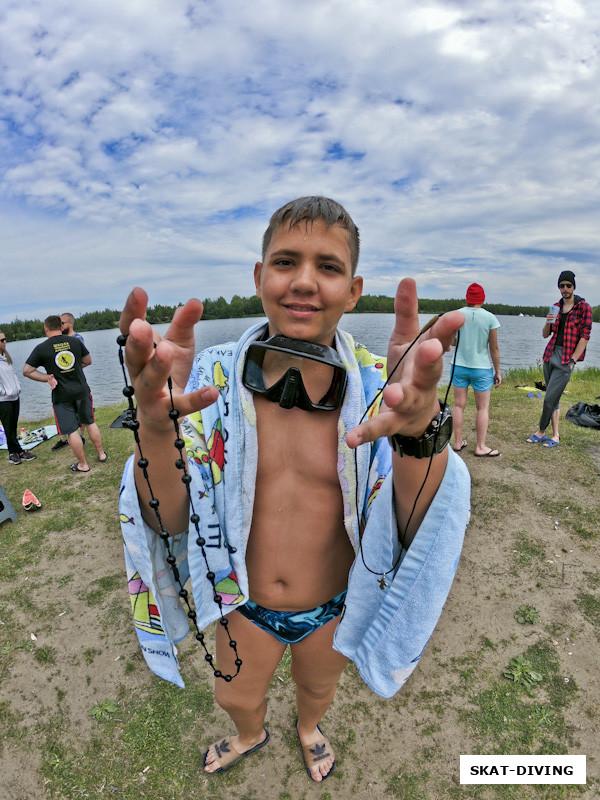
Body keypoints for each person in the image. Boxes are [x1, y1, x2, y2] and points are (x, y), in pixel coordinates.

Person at [118, 197, 470, 782]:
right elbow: (169, 519)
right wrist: (157, 430)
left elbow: (409, 528)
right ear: (259, 277)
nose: (305, 281)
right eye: (285, 261)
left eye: (328, 267)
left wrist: (421, 436)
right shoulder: (210, 385)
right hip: (243, 602)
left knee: (317, 687)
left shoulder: (378, 395)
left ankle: (308, 730)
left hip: (333, 604)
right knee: (234, 696)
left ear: (354, 290)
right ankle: (249, 733)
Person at [23, 316, 107, 472]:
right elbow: (88, 361)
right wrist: (74, 368)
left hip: (62, 395)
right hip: (82, 390)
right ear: (61, 327)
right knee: (90, 422)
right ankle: (101, 454)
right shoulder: (75, 341)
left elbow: (27, 371)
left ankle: (83, 464)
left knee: (71, 431)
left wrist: (47, 377)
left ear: (45, 328)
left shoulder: (42, 348)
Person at [526, 270, 593, 449]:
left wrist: (573, 361)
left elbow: (585, 337)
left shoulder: (583, 307)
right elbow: (545, 335)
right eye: (562, 285)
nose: (565, 289)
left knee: (549, 398)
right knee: (554, 399)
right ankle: (555, 436)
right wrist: (548, 321)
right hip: (550, 355)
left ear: (573, 287)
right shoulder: (556, 306)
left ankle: (541, 430)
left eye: (568, 285)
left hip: (566, 358)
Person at [450, 283, 502, 457]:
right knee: (482, 408)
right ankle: (480, 447)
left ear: (467, 298)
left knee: (458, 405)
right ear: (483, 298)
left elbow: (451, 342)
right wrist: (498, 372)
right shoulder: (490, 318)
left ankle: (457, 442)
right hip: (482, 368)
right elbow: (493, 349)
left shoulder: (456, 315)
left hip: (459, 366)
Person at [0, 331, 37, 465]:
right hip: (3, 400)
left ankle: (19, 451)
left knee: (13, 425)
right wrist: (4, 392)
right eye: (2, 340)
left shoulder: (5, 357)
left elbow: (13, 374)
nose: (5, 342)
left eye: (5, 339)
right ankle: (13, 453)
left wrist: (17, 386)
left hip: (15, 397)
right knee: (8, 426)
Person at [51, 313, 87, 451]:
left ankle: (81, 436)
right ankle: (64, 439)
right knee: (63, 412)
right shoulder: (58, 340)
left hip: (76, 382)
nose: (60, 326)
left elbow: (82, 360)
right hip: (61, 384)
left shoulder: (77, 339)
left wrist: (72, 370)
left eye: (63, 323)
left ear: (70, 324)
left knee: (80, 410)